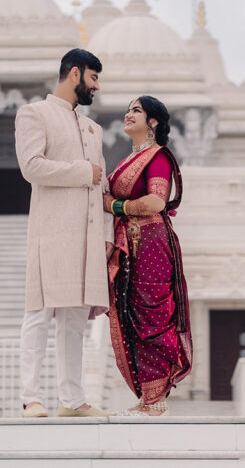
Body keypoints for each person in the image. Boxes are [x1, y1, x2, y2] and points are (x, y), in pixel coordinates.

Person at [14, 48, 111, 418]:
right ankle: (30, 398)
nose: (96, 87)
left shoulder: (92, 129)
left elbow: (102, 188)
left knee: (74, 322)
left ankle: (72, 400)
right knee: (39, 314)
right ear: (75, 73)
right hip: (52, 234)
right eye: (93, 78)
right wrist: (82, 171)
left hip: (87, 239)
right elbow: (32, 166)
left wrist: (105, 236)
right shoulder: (34, 114)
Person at [103, 96, 192, 416]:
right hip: (130, 242)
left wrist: (115, 205)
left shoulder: (158, 157)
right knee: (131, 314)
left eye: (136, 111)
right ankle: (147, 398)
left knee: (152, 316)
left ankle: (157, 400)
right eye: (128, 110)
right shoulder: (130, 159)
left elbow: (156, 202)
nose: (128, 114)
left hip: (150, 243)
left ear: (152, 121)